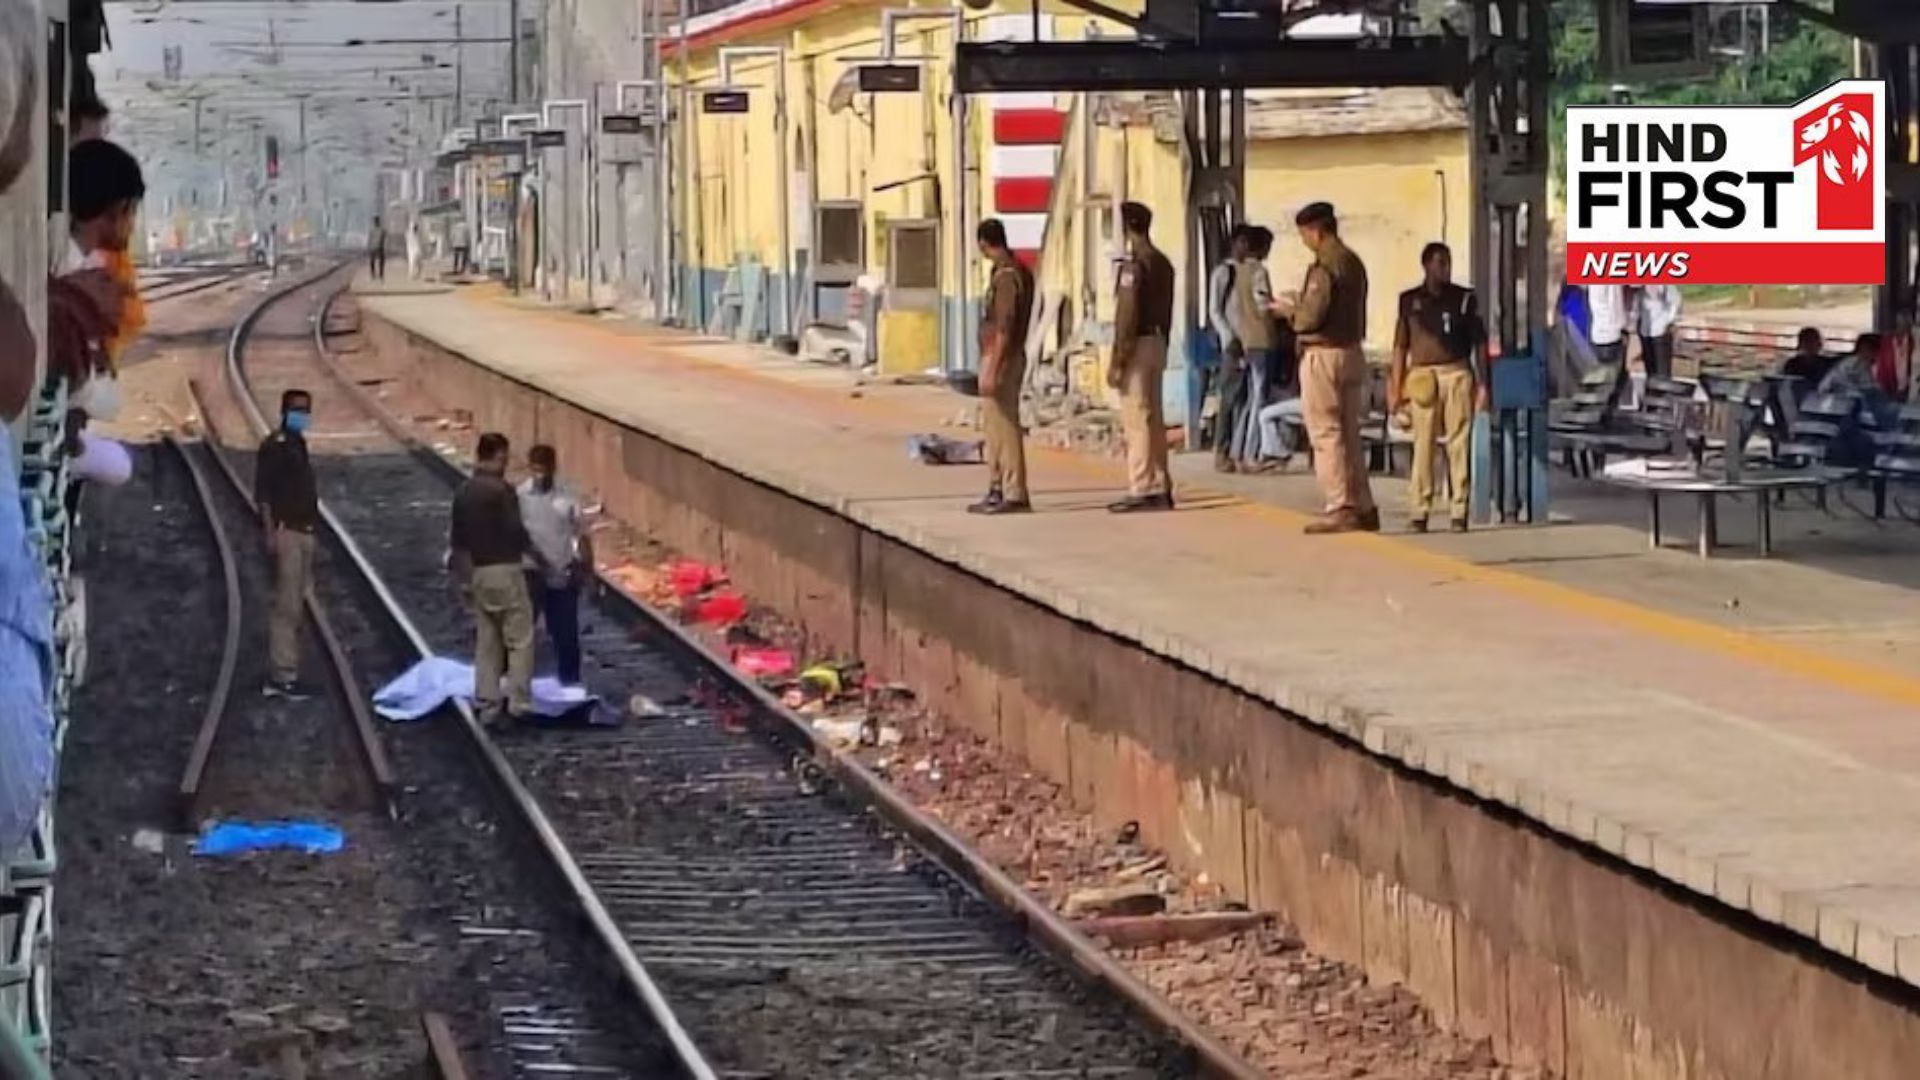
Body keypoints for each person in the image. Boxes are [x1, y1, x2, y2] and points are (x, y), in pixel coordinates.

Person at [1274, 201, 1376, 534]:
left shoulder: (1325, 267)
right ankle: (1363, 505)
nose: (1304, 240)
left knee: (1325, 432)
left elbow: (1311, 317)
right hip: (1351, 352)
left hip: (1324, 354)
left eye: (1304, 234)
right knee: (1349, 432)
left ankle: (1340, 505)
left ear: (1316, 231)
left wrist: (1290, 311)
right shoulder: (1353, 263)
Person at [1388, 242, 1485, 533]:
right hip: (1422, 376)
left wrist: (1483, 383)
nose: (1445, 268)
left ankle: (1459, 507)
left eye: (1447, 262)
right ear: (1427, 265)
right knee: (1423, 445)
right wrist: (1396, 386)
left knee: (1459, 443)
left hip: (1456, 372)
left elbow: (1479, 343)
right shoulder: (1409, 301)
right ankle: (1420, 508)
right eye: (1439, 262)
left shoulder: (1465, 299)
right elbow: (1399, 346)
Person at [451, 432, 534, 723]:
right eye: (505, 457)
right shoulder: (501, 491)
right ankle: (518, 703)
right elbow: (516, 532)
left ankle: (487, 702)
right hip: (506, 569)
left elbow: (458, 543)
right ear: (499, 456)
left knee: (487, 640)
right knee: (519, 639)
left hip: (479, 572)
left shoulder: (464, 491)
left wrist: (465, 581)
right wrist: (539, 558)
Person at [1106, 201, 1176, 513]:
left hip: (1137, 344)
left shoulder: (1134, 266)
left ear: (1127, 228)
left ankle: (1143, 485)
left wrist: (1118, 358)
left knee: (1137, 420)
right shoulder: (1163, 263)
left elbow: (1127, 316)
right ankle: (1160, 482)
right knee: (1154, 418)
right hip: (1159, 341)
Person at [254, 389, 320, 699]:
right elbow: (264, 494)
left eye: (305, 409)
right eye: (296, 409)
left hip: (304, 531)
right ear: (283, 411)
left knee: (297, 602)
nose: (301, 415)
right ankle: (282, 677)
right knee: (286, 606)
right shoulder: (275, 446)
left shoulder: (297, 444)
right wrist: (270, 534)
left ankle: (288, 669)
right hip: (287, 532)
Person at [969, 218, 1036, 515]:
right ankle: (997, 485)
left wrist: (994, 364)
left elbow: (1006, 325)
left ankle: (1013, 490)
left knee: (1005, 426)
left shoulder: (1008, 277)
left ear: (984, 243)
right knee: (993, 426)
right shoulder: (1013, 272)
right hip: (999, 354)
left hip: (1003, 356)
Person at [518, 444, 593, 688]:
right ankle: (519, 686)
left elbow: (581, 535)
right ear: (530, 468)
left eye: (545, 470)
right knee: (523, 635)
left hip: (562, 575)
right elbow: (517, 536)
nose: (541, 475)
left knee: (566, 635)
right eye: (536, 469)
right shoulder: (520, 497)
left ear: (553, 468)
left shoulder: (567, 497)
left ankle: (570, 684)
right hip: (531, 575)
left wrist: (586, 570)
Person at [1637, 283, 1682, 381]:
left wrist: (1669, 321)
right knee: (1650, 369)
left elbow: (1676, 301)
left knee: (1662, 371)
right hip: (1645, 329)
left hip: (1661, 328)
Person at [1780, 327, 1835, 401]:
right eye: (1808, 341)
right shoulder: (1792, 364)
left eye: (1813, 341)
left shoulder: (1828, 364)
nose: (1811, 345)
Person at [369, 215, 388, 281]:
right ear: (379, 222)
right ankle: (381, 275)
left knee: (372, 261)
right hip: (379, 248)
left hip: (373, 248)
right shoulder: (383, 230)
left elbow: (370, 239)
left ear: (374, 222)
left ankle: (373, 274)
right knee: (381, 261)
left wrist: (369, 247)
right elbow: (385, 238)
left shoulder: (371, 230)